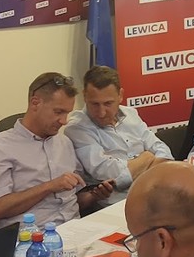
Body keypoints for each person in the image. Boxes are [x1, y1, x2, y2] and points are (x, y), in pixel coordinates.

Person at [0, 73, 113, 229]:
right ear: (35, 103)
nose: (64, 121)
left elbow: (73, 201)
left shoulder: (64, 143)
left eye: (67, 113)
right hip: (34, 236)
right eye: (58, 112)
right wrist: (49, 186)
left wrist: (94, 195)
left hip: (74, 229)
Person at [65, 66, 173, 205]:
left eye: (108, 103)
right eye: (95, 104)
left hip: (153, 191)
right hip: (117, 203)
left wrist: (132, 172)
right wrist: (146, 157)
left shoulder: (131, 114)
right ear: (84, 96)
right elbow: (107, 172)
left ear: (120, 95)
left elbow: (164, 152)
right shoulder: (77, 127)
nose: (101, 112)